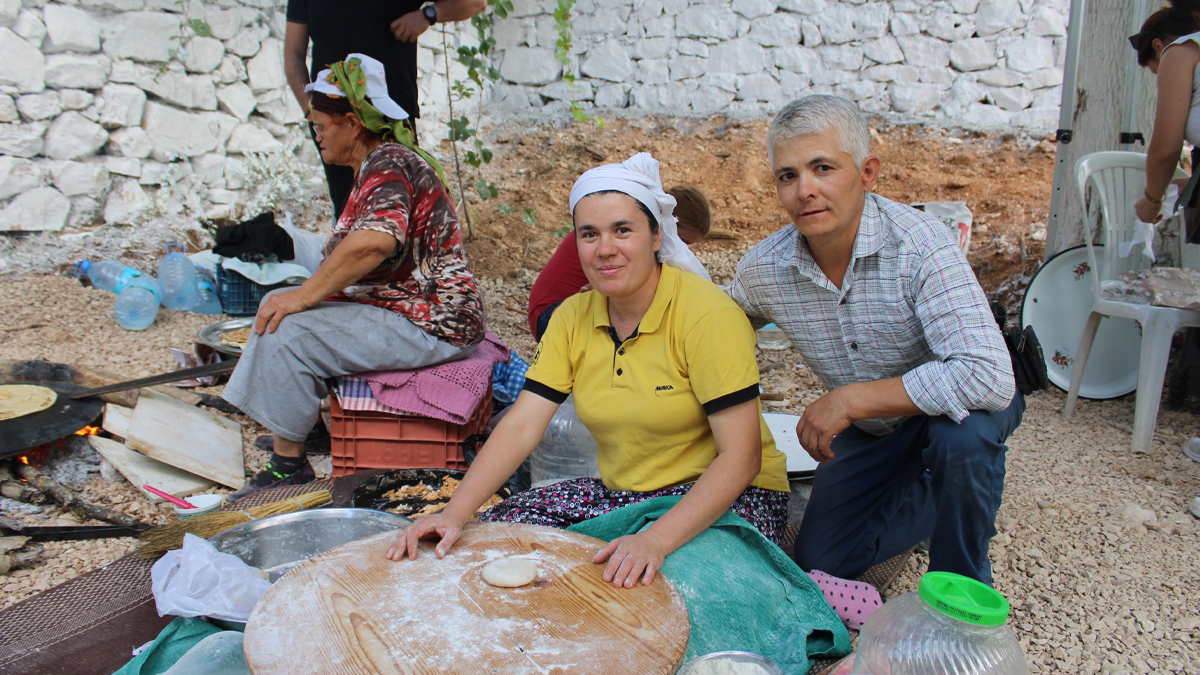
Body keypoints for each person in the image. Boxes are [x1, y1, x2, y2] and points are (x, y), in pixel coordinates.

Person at [387, 153, 790, 588]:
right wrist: (453, 513)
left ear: (656, 236)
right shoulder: (572, 318)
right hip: (627, 496)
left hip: (731, 499)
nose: (605, 250)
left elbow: (741, 457)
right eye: (589, 234)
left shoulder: (706, 315)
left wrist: (655, 541)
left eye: (623, 230)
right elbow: (522, 425)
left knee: (664, 588)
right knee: (500, 534)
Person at [728, 95, 1022, 586]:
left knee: (963, 439)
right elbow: (717, 324)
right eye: (788, 176)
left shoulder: (920, 244)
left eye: (823, 168)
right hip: (875, 429)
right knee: (822, 562)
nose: (806, 190)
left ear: (867, 172)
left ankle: (961, 587)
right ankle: (932, 498)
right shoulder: (766, 268)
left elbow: (987, 376)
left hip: (955, 414)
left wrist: (848, 399)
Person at [223, 54, 484, 499]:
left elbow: (374, 242)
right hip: (415, 312)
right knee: (286, 304)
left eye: (322, 125)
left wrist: (305, 297)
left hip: (432, 321)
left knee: (288, 327)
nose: (317, 135)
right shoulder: (379, 166)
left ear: (352, 122)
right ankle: (311, 430)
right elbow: (355, 251)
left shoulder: (387, 163)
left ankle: (289, 464)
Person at [284, 0, 486, 222]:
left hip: (391, 118)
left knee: (396, 211)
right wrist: (312, 114)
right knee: (347, 212)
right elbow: (293, 54)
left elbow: (475, 3)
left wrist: (428, 15)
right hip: (334, 122)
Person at [527, 184, 712, 340]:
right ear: (665, 227)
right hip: (549, 316)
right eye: (683, 243)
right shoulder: (614, 233)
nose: (682, 251)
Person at [1132, 2, 1200, 225]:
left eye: (1157, 71)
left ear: (1159, 46)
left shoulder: (1180, 51)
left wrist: (1152, 199)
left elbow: (1166, 149)